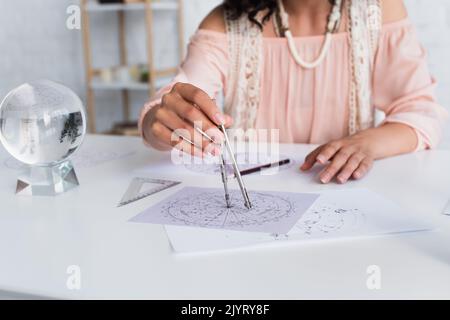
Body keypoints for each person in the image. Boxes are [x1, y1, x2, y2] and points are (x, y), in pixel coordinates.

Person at [139, 0, 448, 184]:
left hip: (343, 192)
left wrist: (367, 143)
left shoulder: (377, 10)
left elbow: (421, 112)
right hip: (256, 191)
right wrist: (162, 122)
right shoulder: (224, 22)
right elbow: (173, 101)